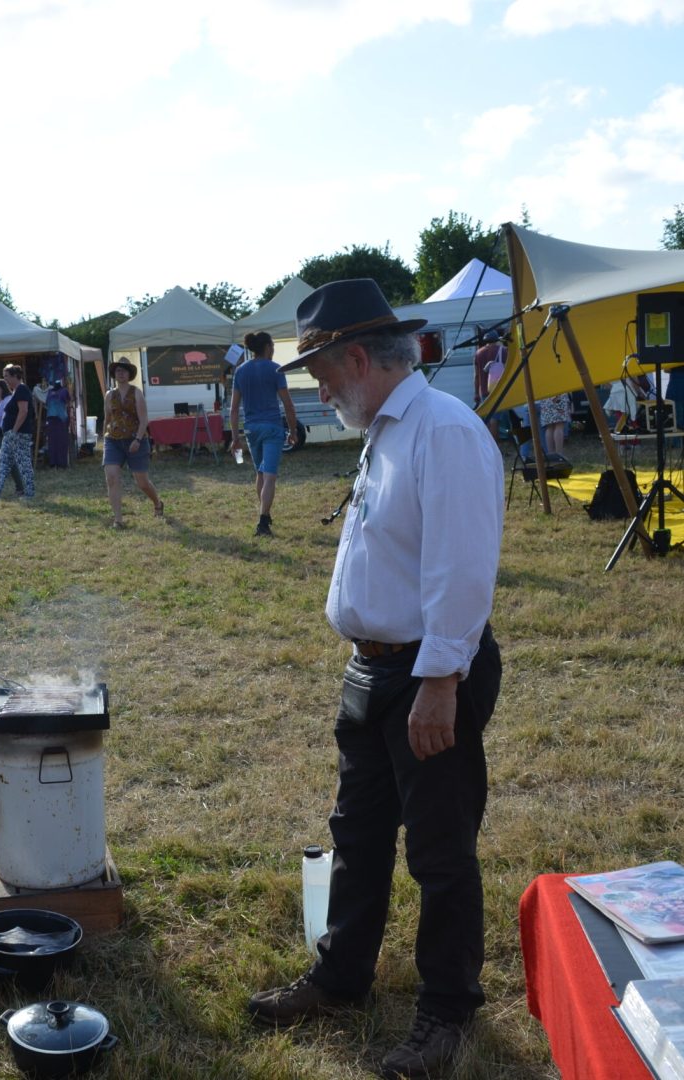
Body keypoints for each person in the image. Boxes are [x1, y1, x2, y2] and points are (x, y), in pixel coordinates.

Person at [247, 280, 504, 1080]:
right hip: (376, 669)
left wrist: (439, 682)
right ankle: (341, 976)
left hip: (430, 671)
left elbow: (461, 572)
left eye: (322, 373)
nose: (319, 392)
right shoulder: (388, 428)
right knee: (356, 836)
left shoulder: (443, 432)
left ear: (357, 358)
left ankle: (446, 1012)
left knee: (438, 849)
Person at [228, 331, 298, 537]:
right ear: (267, 347)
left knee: (260, 473)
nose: (273, 350)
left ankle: (264, 514)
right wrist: (293, 431)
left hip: (251, 428)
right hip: (272, 427)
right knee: (269, 476)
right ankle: (263, 522)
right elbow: (287, 404)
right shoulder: (275, 369)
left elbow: (233, 409)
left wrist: (235, 437)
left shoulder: (241, 371)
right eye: (273, 346)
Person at [102, 358, 163, 528]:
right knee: (112, 478)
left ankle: (157, 503)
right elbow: (107, 418)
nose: (120, 373)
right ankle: (118, 520)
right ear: (114, 374)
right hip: (113, 440)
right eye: (118, 371)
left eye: (124, 370)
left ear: (129, 374)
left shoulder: (136, 393)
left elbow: (144, 420)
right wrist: (102, 437)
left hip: (135, 441)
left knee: (142, 482)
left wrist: (137, 439)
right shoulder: (109, 395)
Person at [0, 364, 36, 500]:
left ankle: (29, 493)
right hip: (10, 434)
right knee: (2, 461)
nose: (5, 380)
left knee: (24, 463)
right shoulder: (17, 390)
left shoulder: (22, 389)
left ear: (15, 376)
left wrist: (14, 431)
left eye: (6, 376)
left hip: (18, 434)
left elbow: (24, 411)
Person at [0, 378, 25, 496]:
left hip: (8, 435)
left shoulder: (8, 400)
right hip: (0, 435)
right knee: (11, 463)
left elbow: (7, 421)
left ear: (3, 389)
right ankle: (21, 488)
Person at [45, 380, 71, 468]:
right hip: (51, 418)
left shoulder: (64, 391)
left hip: (62, 419)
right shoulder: (49, 392)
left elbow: (68, 402)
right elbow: (46, 404)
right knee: (52, 441)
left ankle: (62, 462)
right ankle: (53, 462)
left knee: (62, 441)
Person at [537, 393, 571, 459]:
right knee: (559, 425)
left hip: (545, 396)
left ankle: (551, 455)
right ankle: (559, 454)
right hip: (558, 394)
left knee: (549, 427)